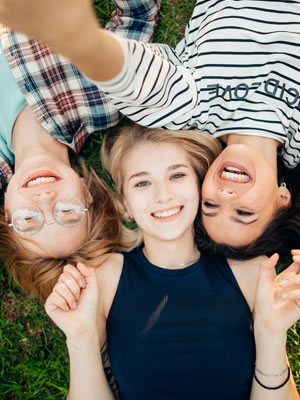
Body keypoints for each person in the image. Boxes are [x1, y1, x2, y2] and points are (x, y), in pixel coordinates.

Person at [1, 0, 299, 257]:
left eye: (210, 204)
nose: (225, 196)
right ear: (282, 200)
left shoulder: (191, 109)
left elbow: (134, 78)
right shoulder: (287, 137)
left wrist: (81, 42)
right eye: (243, 213)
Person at [45, 125, 299, 400]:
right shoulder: (103, 277)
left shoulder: (251, 272)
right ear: (125, 202)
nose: (163, 195)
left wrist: (272, 335)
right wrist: (80, 339)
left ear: (199, 186)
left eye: (177, 175)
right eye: (142, 183)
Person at [0, 0, 161, 299]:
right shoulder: (101, 101)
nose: (45, 200)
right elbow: (138, 15)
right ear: (87, 193)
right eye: (68, 212)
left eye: (28, 220)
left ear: (7, 212)